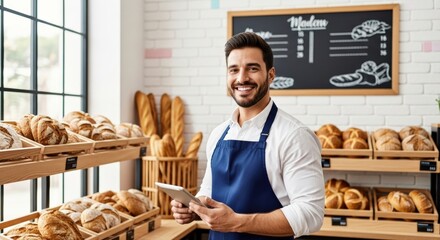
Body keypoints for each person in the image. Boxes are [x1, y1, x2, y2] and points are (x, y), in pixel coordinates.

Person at [171, 31, 325, 239]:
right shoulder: (218, 135)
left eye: (252, 69)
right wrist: (193, 207)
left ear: (271, 75)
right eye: (234, 70)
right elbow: (208, 191)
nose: (242, 78)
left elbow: (310, 214)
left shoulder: (294, 136)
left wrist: (236, 222)